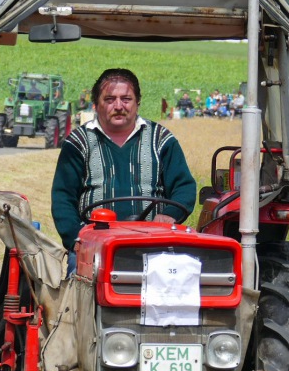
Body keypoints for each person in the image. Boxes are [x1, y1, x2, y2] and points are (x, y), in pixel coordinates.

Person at [50, 68, 198, 257]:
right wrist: (77, 238)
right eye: (109, 99)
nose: (119, 106)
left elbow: (184, 187)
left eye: (126, 99)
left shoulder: (161, 139)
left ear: (137, 103)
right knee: (77, 276)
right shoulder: (78, 142)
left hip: (154, 244)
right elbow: (63, 197)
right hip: (94, 247)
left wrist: (169, 215)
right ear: (96, 104)